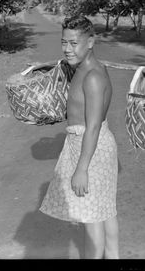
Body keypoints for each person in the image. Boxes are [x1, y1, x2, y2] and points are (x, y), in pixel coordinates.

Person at [39, 15, 119, 259]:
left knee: (91, 219)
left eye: (74, 43)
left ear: (91, 42)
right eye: (64, 42)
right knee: (105, 213)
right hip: (89, 144)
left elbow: (93, 127)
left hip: (90, 149)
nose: (67, 49)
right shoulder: (83, 70)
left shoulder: (93, 76)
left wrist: (82, 168)